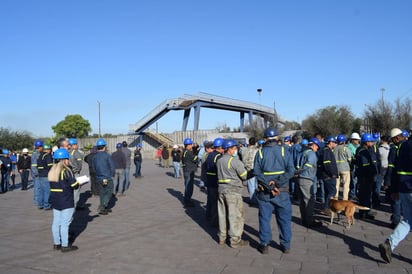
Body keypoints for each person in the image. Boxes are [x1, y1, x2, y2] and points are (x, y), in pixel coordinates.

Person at [254, 127, 295, 254]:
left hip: (265, 193)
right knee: (284, 219)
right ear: (277, 138)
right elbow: (291, 171)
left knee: (265, 219)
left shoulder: (260, 153)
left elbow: (257, 173)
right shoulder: (285, 151)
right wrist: (277, 183)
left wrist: (270, 186)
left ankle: (264, 244)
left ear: (265, 139)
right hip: (282, 192)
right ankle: (285, 245)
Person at [378, 134, 412, 264]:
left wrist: (394, 189)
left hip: (404, 189)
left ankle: (389, 244)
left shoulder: (402, 146)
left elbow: (395, 167)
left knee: (408, 220)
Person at [216, 139, 249, 248]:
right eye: (235, 148)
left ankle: (222, 237)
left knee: (222, 215)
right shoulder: (234, 161)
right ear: (230, 149)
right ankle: (235, 240)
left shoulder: (219, 160)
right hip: (233, 191)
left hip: (221, 190)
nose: (236, 150)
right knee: (235, 216)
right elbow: (244, 175)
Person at [48, 148, 79, 252]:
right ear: (64, 160)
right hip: (66, 200)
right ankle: (65, 245)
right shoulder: (66, 171)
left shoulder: (52, 171)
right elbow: (74, 185)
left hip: (55, 200)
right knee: (65, 224)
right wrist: (79, 182)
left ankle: (57, 243)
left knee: (56, 223)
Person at [295, 137, 323, 228]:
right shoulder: (311, 154)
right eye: (317, 147)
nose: (317, 149)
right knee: (309, 200)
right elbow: (307, 166)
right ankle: (310, 221)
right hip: (306, 179)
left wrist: (296, 173)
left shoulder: (301, 153)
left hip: (299, 179)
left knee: (302, 201)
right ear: (313, 145)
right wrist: (300, 172)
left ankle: (304, 219)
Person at [383, 128, 405, 228]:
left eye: (392, 139)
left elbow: (391, 166)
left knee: (396, 200)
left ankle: (396, 221)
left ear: (396, 138)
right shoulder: (407, 145)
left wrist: (387, 181)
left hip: (397, 178)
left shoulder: (394, 149)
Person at [355, 133, 378, 220]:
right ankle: (364, 213)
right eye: (371, 141)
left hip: (362, 176)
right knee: (366, 195)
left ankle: (363, 212)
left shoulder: (359, 149)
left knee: (363, 195)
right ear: (366, 142)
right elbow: (366, 165)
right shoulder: (364, 152)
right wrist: (371, 174)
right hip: (365, 177)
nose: (372, 143)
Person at [92, 138, 115, 215]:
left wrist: (97, 175)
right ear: (104, 147)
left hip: (99, 178)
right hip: (107, 177)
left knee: (102, 193)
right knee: (109, 192)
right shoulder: (107, 156)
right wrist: (112, 175)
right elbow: (112, 166)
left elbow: (93, 168)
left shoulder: (94, 157)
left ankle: (104, 206)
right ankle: (103, 206)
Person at [318, 136, 339, 215]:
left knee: (328, 192)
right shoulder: (327, 151)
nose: (335, 144)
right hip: (329, 176)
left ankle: (327, 206)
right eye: (334, 142)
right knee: (332, 191)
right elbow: (327, 164)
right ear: (330, 142)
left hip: (328, 175)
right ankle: (326, 207)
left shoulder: (328, 151)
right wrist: (332, 174)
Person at [203, 139, 220, 226]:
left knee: (210, 200)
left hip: (209, 181)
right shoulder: (218, 156)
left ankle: (208, 215)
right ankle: (214, 221)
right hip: (215, 182)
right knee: (215, 203)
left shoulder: (209, 155)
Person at [334, 134, 352, 200]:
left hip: (336, 169)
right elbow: (350, 159)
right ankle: (345, 199)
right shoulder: (345, 148)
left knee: (336, 185)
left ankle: (335, 198)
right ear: (344, 141)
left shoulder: (334, 148)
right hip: (345, 169)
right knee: (346, 185)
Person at [241, 137, 259, 205]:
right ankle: (258, 199)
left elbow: (244, 160)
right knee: (257, 186)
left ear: (249, 142)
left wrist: (245, 167)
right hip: (257, 170)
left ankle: (253, 200)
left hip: (249, 170)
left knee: (251, 186)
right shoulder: (258, 150)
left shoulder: (246, 150)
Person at [181, 138, 198, 207]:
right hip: (189, 171)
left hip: (187, 170)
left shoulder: (185, 151)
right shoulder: (188, 152)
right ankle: (188, 201)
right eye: (191, 144)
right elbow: (195, 159)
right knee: (189, 187)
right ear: (188, 145)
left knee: (188, 186)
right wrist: (197, 153)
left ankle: (187, 199)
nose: (192, 145)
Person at [68, 138, 84, 209]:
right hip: (75, 173)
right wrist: (79, 169)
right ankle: (75, 205)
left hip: (68, 173)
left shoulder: (67, 152)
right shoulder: (76, 152)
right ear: (73, 145)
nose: (77, 145)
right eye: (76, 144)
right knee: (76, 189)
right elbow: (79, 163)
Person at [37, 143, 53, 210]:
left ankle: (40, 204)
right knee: (47, 191)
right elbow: (50, 166)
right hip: (46, 175)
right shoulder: (48, 156)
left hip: (40, 175)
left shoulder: (40, 155)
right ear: (49, 149)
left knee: (41, 191)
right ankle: (46, 205)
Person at [347, 132, 361, 200]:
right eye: (356, 140)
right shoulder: (349, 147)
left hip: (357, 165)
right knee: (354, 180)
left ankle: (355, 193)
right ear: (353, 140)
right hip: (352, 166)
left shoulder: (358, 146)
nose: (358, 141)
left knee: (356, 180)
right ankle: (352, 194)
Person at [31, 139, 43, 205]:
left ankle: (38, 200)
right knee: (37, 187)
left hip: (38, 173)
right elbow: (34, 165)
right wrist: (37, 173)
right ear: (40, 147)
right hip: (37, 174)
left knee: (39, 187)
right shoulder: (35, 154)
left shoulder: (38, 153)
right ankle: (36, 200)